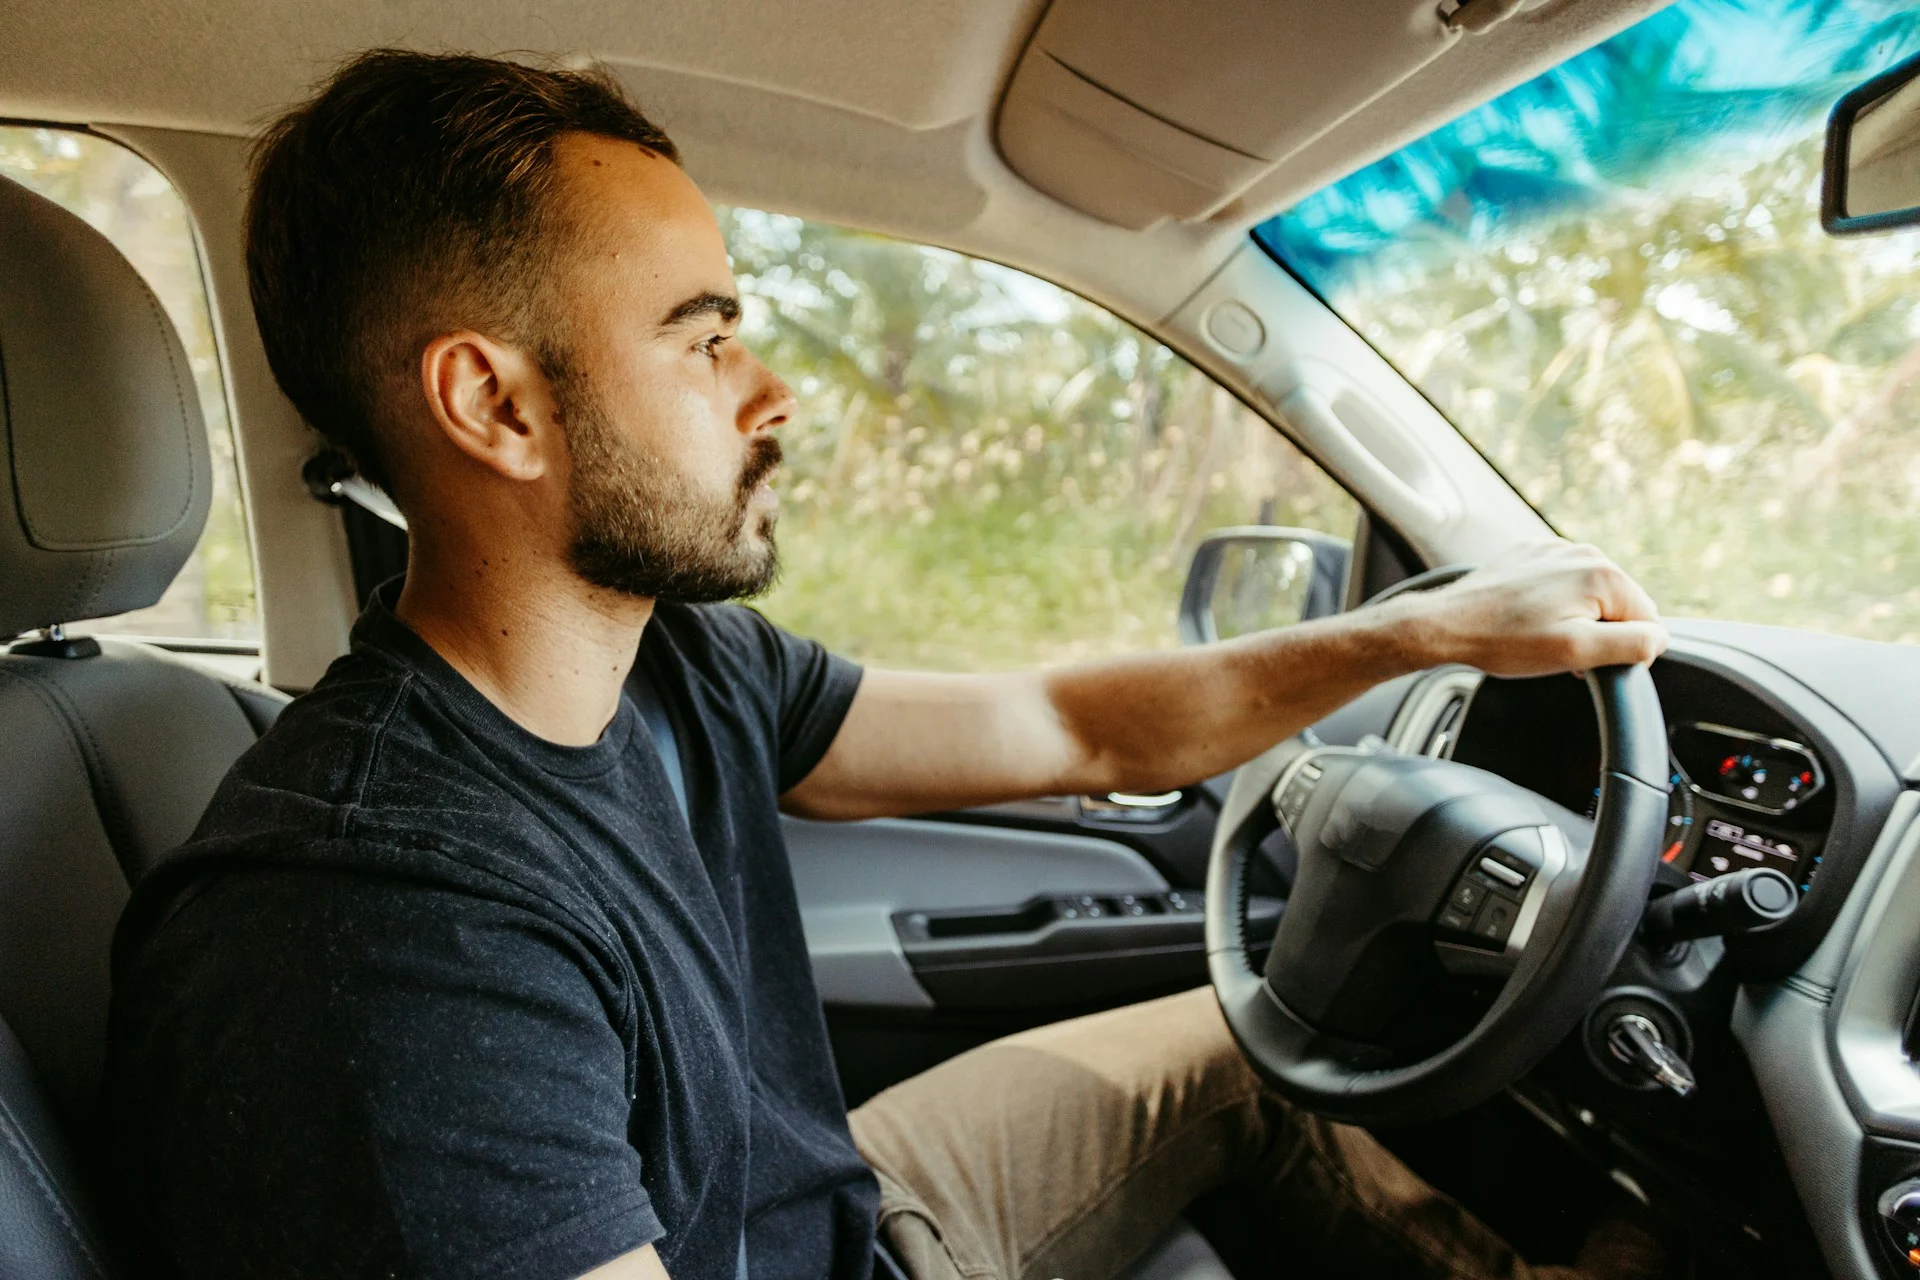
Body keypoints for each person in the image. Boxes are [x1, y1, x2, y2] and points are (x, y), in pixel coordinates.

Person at [102, 50, 1671, 1280]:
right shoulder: (384, 928)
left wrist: (1426, 627)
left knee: (1243, 1055)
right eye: (704, 337)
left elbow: (1073, 725)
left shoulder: (679, 666)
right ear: (496, 407)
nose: (771, 390)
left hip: (842, 1225)